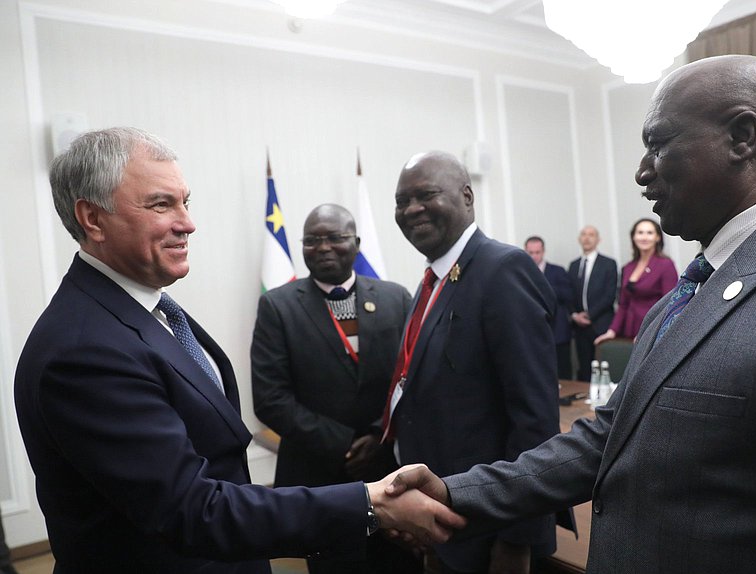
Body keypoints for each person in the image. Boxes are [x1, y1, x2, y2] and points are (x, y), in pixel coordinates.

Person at [389, 55, 756, 573]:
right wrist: (455, 492)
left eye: (658, 144)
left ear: (742, 137)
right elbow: (608, 438)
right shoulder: (690, 291)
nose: (641, 171)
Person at [13, 127, 463, 574]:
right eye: (160, 204)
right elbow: (192, 509)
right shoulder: (85, 352)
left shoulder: (148, 309)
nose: (187, 222)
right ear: (93, 219)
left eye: (184, 202)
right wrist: (369, 504)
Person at [386, 151, 564, 573]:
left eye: (426, 194)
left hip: (489, 530)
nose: (411, 210)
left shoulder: (503, 269)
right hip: (444, 520)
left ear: (467, 196)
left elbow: (534, 421)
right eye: (400, 201)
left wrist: (517, 539)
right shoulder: (434, 278)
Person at [251, 203, 420, 574]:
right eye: (312, 240)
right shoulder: (278, 307)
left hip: (390, 469)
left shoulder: (396, 298)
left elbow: (413, 380)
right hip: (320, 481)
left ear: (356, 243)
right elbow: (270, 399)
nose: (323, 247)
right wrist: (345, 444)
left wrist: (380, 436)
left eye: (335, 237)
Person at [594, 218, 676, 344]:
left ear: (658, 238)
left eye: (649, 233)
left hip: (652, 331)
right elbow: (623, 305)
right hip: (628, 330)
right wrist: (611, 332)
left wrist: (649, 332)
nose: (644, 237)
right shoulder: (628, 267)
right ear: (633, 237)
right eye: (640, 232)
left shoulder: (665, 265)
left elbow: (669, 304)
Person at [566, 226, 617, 381]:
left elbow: (610, 295)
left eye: (591, 235)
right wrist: (575, 315)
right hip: (580, 327)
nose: (587, 238)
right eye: (583, 234)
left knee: (604, 367)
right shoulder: (574, 265)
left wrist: (589, 314)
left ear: (598, 239)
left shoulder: (608, 263)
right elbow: (570, 294)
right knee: (584, 368)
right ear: (579, 239)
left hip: (601, 323)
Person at [524, 235, 573, 380]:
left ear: (543, 252)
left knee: (564, 370)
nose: (534, 257)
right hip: (533, 332)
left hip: (558, 331)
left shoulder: (557, 271)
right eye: (530, 253)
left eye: (537, 253)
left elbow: (568, 295)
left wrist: (542, 286)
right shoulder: (521, 272)